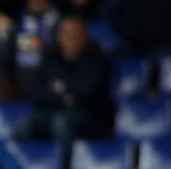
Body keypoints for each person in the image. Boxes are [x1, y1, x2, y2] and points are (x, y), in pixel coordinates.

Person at [13, 16, 111, 152]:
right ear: (60, 37)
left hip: (87, 116)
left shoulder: (97, 59)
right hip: (51, 112)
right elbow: (37, 93)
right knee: (23, 124)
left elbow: (88, 92)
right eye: (67, 34)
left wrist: (59, 88)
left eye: (76, 35)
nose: (71, 39)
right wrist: (66, 95)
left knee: (61, 122)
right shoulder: (51, 57)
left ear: (85, 37)